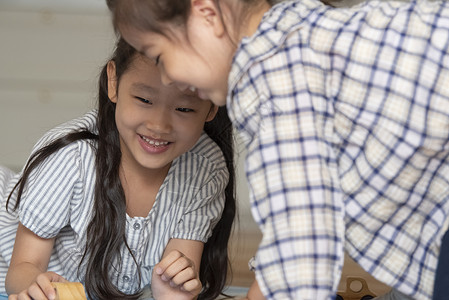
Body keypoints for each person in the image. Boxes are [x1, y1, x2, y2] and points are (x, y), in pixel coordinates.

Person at [106, 0, 449, 299]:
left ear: (206, 14)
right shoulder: (295, 24)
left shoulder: (270, 80)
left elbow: (300, 252)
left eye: (161, 57)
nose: (167, 79)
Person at [0, 37, 236, 300]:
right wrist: (37, 286)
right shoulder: (71, 158)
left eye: (184, 108)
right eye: (144, 100)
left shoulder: (205, 169)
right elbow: (19, 271)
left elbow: (177, 279)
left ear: (213, 105)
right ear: (113, 82)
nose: (159, 125)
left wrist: (174, 290)